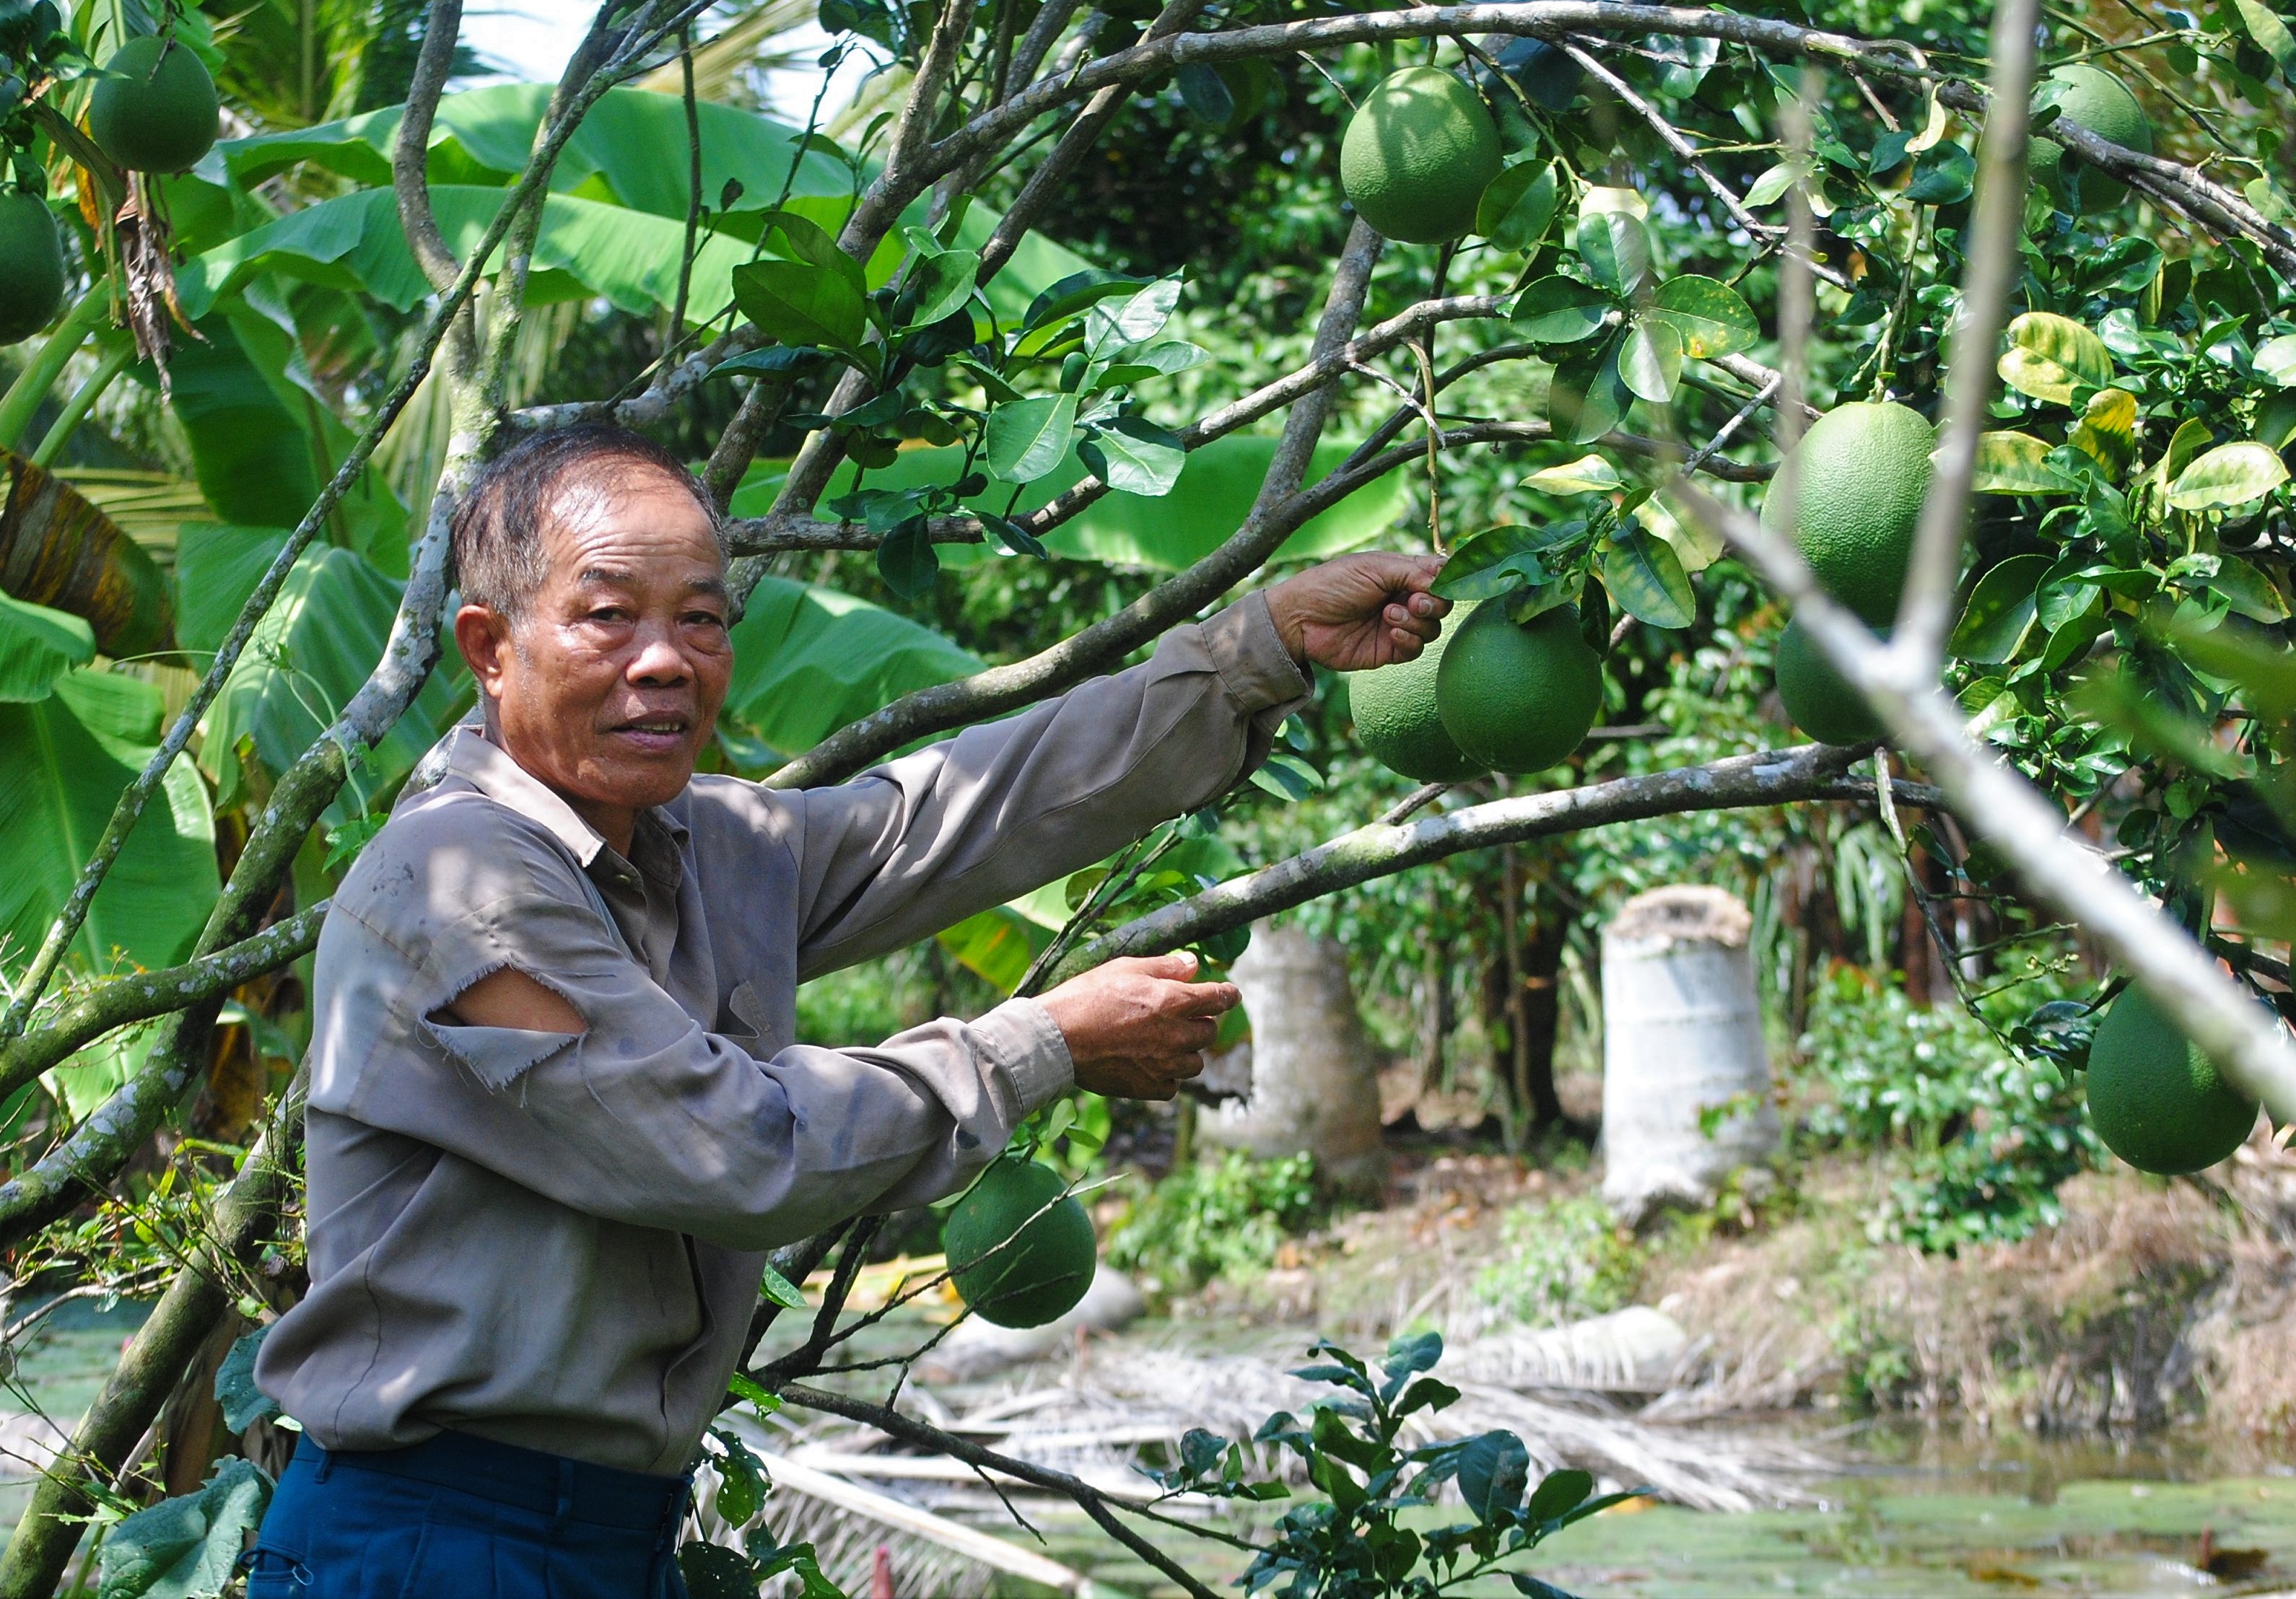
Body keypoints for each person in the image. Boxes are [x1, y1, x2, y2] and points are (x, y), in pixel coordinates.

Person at [245, 421, 1447, 1596]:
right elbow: (730, 1149)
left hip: (606, 1530)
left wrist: (1256, 649)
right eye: (608, 616)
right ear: (490, 647)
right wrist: (1042, 1044)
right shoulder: (455, 885)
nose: (665, 661)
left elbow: (966, 809)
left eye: (701, 619)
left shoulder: (701, 845)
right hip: (437, 1534)